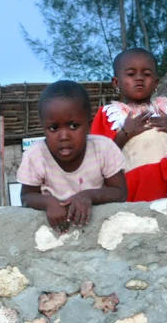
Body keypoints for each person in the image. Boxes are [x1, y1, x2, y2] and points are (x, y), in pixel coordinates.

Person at [17, 80, 127, 232]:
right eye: (53, 128)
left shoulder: (103, 148)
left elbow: (120, 192)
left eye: (74, 126)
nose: (64, 136)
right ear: (43, 128)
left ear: (89, 125)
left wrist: (88, 196)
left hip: (101, 230)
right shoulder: (35, 156)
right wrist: (48, 203)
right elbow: (26, 196)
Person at [90, 48, 167, 202]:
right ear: (116, 82)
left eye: (146, 74)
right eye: (131, 74)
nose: (139, 78)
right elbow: (102, 157)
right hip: (137, 185)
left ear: (155, 83)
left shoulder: (165, 111)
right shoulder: (111, 115)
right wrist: (125, 134)